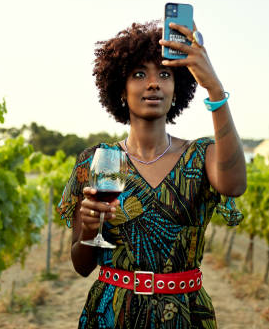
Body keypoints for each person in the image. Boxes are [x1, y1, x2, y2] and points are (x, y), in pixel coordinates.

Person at [57, 20, 246, 328]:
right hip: (112, 314)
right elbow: (82, 266)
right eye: (139, 74)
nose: (154, 83)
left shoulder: (201, 156)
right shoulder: (97, 161)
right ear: (121, 88)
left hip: (184, 315)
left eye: (165, 74)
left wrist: (213, 86)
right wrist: (91, 231)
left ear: (178, 89)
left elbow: (235, 184)